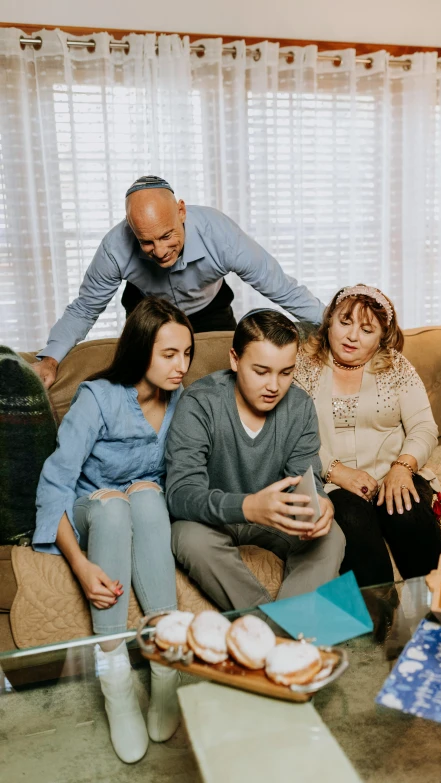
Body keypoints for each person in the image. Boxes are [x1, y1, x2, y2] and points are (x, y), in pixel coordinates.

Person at [33, 296, 194, 764]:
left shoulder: (182, 399)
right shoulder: (97, 398)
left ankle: (166, 666)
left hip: (144, 512)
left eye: (186, 353)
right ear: (141, 350)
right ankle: (114, 673)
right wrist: (81, 567)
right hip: (91, 514)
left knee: (145, 494)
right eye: (169, 354)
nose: (182, 365)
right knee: (113, 506)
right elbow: (54, 487)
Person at [34, 175, 325, 389]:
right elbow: (84, 309)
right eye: (146, 242)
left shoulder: (219, 235)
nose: (159, 252)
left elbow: (282, 288)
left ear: (181, 211)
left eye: (166, 236)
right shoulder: (115, 247)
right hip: (147, 309)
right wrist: (49, 359)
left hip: (210, 310)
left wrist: (334, 324)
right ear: (130, 228)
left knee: (229, 384)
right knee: (145, 386)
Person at [165, 309, 345, 611]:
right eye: (261, 371)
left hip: (278, 517)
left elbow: (307, 478)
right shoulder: (199, 402)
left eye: (285, 372)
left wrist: (321, 502)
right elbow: (181, 494)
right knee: (187, 537)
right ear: (235, 360)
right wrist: (247, 506)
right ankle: (268, 627)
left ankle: (278, 632)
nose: (274, 386)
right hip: (215, 520)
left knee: (332, 537)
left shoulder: (299, 407)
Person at [293, 284, 441, 588]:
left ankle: (436, 616)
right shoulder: (302, 366)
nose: (352, 336)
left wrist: (403, 467)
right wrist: (337, 472)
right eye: (344, 322)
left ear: (381, 338)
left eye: (366, 329)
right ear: (329, 323)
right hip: (332, 483)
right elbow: (291, 437)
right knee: (352, 520)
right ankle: (381, 628)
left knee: (409, 510)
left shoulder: (396, 367)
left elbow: (424, 427)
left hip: (393, 474)